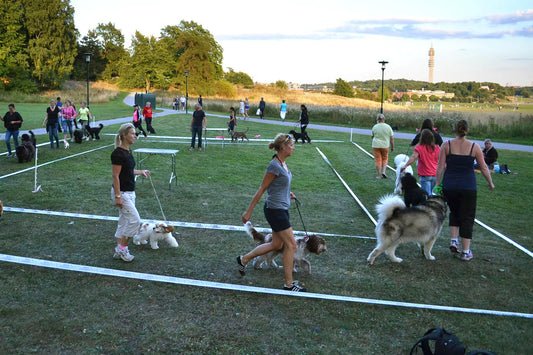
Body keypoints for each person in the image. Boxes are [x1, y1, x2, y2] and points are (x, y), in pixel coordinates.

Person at [237, 133, 306, 292]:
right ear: (283, 147)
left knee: (276, 244)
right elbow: (262, 189)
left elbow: (280, 185)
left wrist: (288, 193)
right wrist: (249, 211)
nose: (293, 148)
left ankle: (244, 259)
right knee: (291, 244)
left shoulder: (283, 164)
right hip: (275, 210)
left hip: (281, 208)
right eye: (291, 145)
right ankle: (289, 284)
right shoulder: (274, 165)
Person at [435, 120, 495, 262]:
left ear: (454, 130)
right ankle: (466, 251)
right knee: (467, 217)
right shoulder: (474, 147)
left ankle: (454, 240)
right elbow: (484, 168)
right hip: (468, 187)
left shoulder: (446, 145)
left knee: (454, 212)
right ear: (467, 131)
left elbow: (440, 166)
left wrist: (438, 184)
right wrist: (490, 183)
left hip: (450, 186)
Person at [111, 123, 150, 262]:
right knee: (135, 221)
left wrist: (141, 172)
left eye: (135, 134)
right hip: (122, 193)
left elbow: (127, 171)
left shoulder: (128, 151)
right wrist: (117, 196)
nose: (135, 136)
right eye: (133, 133)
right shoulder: (118, 153)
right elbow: (115, 176)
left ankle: (118, 250)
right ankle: (122, 249)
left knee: (123, 221)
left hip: (130, 191)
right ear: (124, 136)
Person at [400, 129, 441, 195]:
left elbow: (413, 158)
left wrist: (405, 166)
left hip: (425, 175)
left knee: (427, 195)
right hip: (434, 175)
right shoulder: (437, 148)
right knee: (431, 192)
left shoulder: (419, 148)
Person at [371, 113, 394, 179]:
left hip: (375, 145)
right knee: (385, 159)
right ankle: (383, 172)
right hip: (385, 145)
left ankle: (379, 175)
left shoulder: (375, 126)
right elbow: (391, 138)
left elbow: (372, 136)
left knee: (378, 160)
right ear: (384, 119)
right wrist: (392, 147)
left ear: (377, 119)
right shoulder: (388, 127)